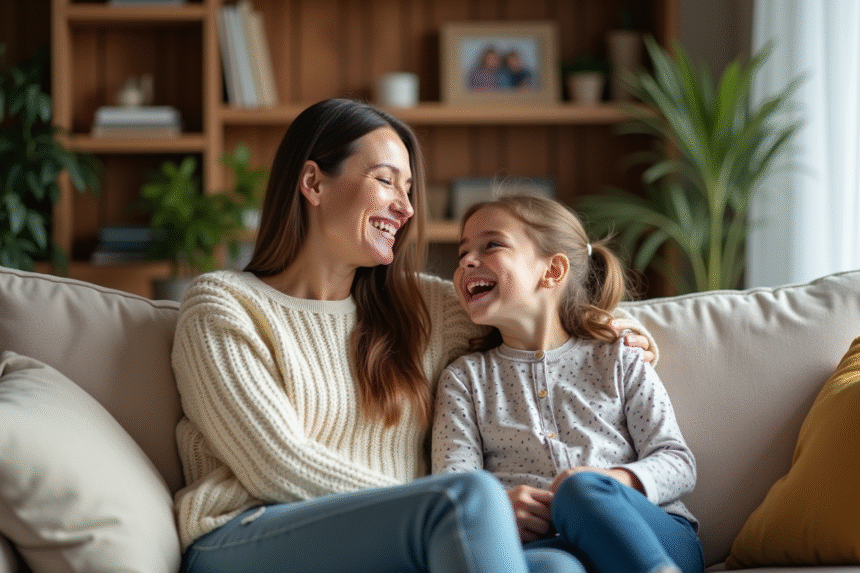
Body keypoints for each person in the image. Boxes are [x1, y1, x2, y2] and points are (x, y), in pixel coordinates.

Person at [171, 98, 657, 572]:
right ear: (313, 183)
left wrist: (611, 325)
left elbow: (539, 309)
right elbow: (275, 464)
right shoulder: (224, 304)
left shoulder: (426, 307)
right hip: (250, 534)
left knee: (553, 566)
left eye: (408, 190)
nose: (405, 208)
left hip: (405, 532)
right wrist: (462, 511)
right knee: (473, 494)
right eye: (385, 181)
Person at [432, 194, 704, 573]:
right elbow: (455, 489)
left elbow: (678, 463)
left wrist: (608, 483)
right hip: (546, 545)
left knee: (579, 491)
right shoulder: (464, 379)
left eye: (491, 244)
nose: (467, 261)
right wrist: (498, 507)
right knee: (551, 570)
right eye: (462, 254)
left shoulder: (618, 357)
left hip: (655, 534)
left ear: (553, 271)